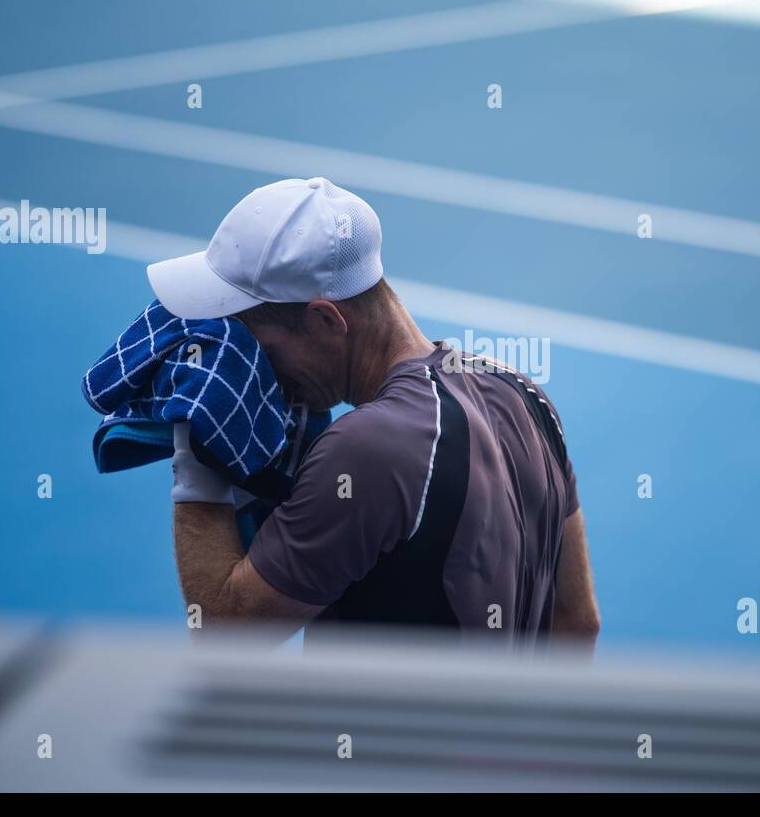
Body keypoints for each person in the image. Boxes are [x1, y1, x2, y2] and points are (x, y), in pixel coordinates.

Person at [147, 177, 600, 648]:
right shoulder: (525, 394)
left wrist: (198, 448)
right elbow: (577, 622)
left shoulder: (367, 451)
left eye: (260, 348)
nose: (259, 372)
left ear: (325, 320)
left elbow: (225, 632)